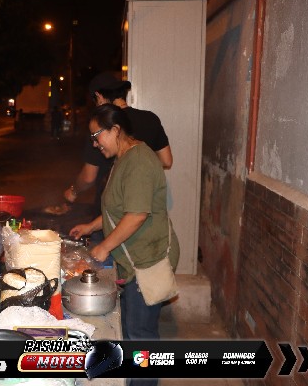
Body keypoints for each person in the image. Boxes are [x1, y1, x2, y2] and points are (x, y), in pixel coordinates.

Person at [70, 104, 179, 386]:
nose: (95, 144)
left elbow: (137, 215)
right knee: (131, 331)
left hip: (148, 259)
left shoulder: (139, 161)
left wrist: (105, 246)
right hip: (134, 258)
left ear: (115, 130)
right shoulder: (123, 158)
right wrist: (91, 226)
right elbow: (118, 209)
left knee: (141, 336)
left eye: (97, 136)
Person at [58, 72, 172, 237]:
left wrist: (74, 191)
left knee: (105, 250)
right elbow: (166, 161)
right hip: (146, 209)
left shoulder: (102, 128)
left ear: (99, 96)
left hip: (112, 214)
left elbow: (89, 177)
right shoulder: (150, 119)